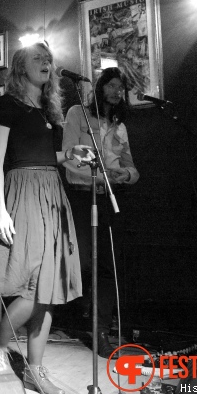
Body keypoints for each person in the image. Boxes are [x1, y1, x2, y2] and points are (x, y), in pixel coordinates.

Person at [0, 42, 94, 394]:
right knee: (34, 282)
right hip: (23, 191)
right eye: (37, 59)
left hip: (50, 190)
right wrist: (0, 208)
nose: (46, 63)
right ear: (19, 67)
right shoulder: (7, 104)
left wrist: (68, 153)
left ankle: (35, 369)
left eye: (48, 59)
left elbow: (43, 154)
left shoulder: (46, 107)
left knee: (51, 283)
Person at [62, 66, 139, 357]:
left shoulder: (120, 126)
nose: (118, 91)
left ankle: (101, 332)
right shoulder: (77, 113)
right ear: (100, 86)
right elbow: (68, 154)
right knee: (82, 262)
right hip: (82, 195)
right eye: (113, 85)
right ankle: (80, 317)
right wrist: (96, 170)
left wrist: (125, 176)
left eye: (122, 87)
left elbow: (132, 167)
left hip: (110, 197)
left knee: (107, 265)